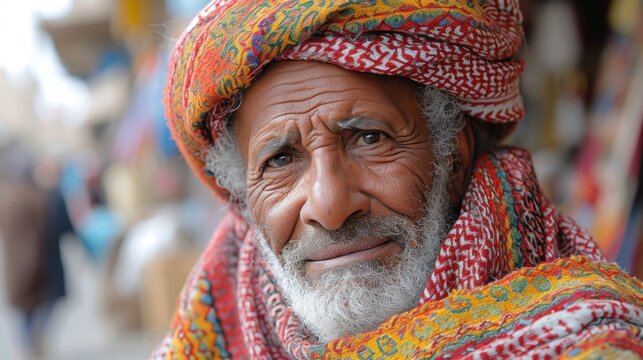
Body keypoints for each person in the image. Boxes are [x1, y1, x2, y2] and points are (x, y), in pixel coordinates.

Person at [153, 1, 643, 358]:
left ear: (453, 158)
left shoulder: (589, 342)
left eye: (369, 138)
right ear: (243, 199)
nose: (329, 204)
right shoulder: (212, 335)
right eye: (280, 160)